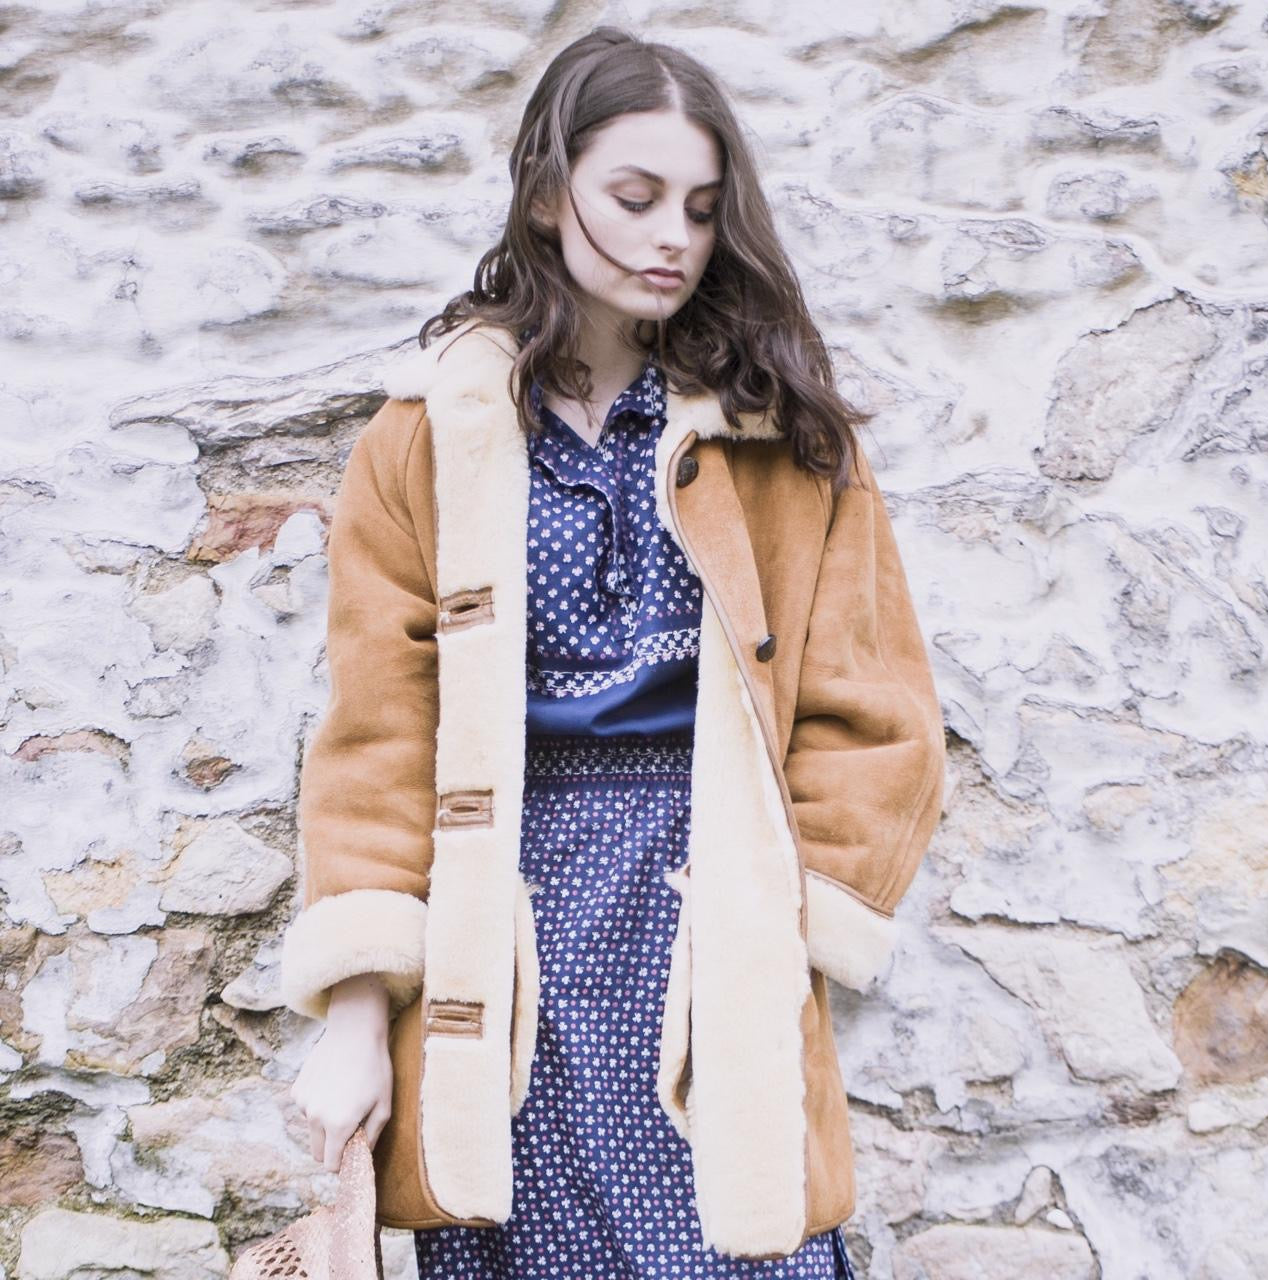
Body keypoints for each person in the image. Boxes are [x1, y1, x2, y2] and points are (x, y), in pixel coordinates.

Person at [279, 25, 946, 1280]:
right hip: (505, 923)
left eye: (699, 209)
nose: (670, 240)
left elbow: (879, 714)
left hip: (710, 904)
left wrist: (784, 928)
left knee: (742, 1240)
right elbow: (376, 741)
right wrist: (357, 1019)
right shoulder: (424, 442)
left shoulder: (781, 438)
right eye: (632, 199)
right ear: (547, 194)